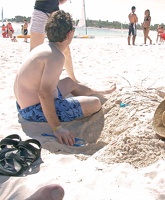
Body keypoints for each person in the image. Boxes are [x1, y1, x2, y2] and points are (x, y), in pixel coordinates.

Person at [14, 10, 116, 146]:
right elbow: (44, 93)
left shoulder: (45, 48)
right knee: (94, 103)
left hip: (22, 104)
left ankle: (96, 91)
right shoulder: (55, 56)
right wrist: (57, 128)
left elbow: (46, 87)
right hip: (32, 110)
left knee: (69, 82)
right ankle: (92, 98)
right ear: (69, 34)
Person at [30, 0, 78, 82]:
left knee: (66, 50)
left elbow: (60, 1)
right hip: (40, 12)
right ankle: (32, 81)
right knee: (34, 51)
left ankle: (73, 79)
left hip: (55, 14)